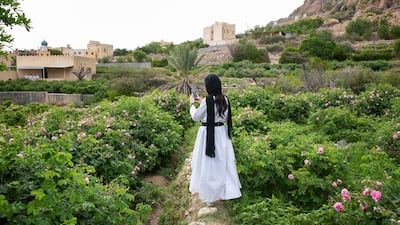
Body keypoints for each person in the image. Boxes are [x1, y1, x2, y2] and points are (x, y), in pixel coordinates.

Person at [189, 74, 242, 207]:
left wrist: (191, 104)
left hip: (208, 134)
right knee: (221, 163)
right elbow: (222, 116)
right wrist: (204, 102)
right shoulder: (225, 99)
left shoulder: (207, 101)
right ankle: (224, 191)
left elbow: (196, 117)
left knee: (208, 163)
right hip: (221, 134)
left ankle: (209, 196)